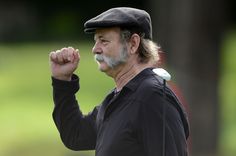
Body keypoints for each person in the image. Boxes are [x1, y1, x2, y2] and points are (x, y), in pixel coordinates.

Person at [49, 7, 189, 156]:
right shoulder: (117, 99)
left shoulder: (153, 97)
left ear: (133, 44)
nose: (95, 49)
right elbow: (75, 135)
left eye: (103, 41)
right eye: (95, 41)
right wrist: (62, 81)